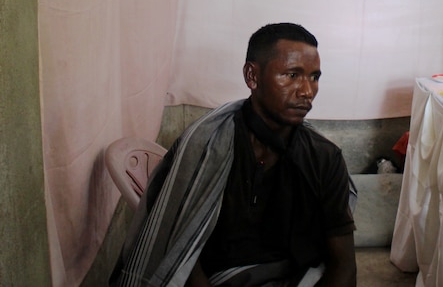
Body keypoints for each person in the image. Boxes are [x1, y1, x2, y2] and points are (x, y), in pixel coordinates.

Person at [111, 23, 357, 287]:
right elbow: (180, 251)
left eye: (314, 77)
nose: (307, 91)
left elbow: (343, 265)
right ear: (252, 76)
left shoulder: (323, 158)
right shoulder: (206, 146)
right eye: (292, 75)